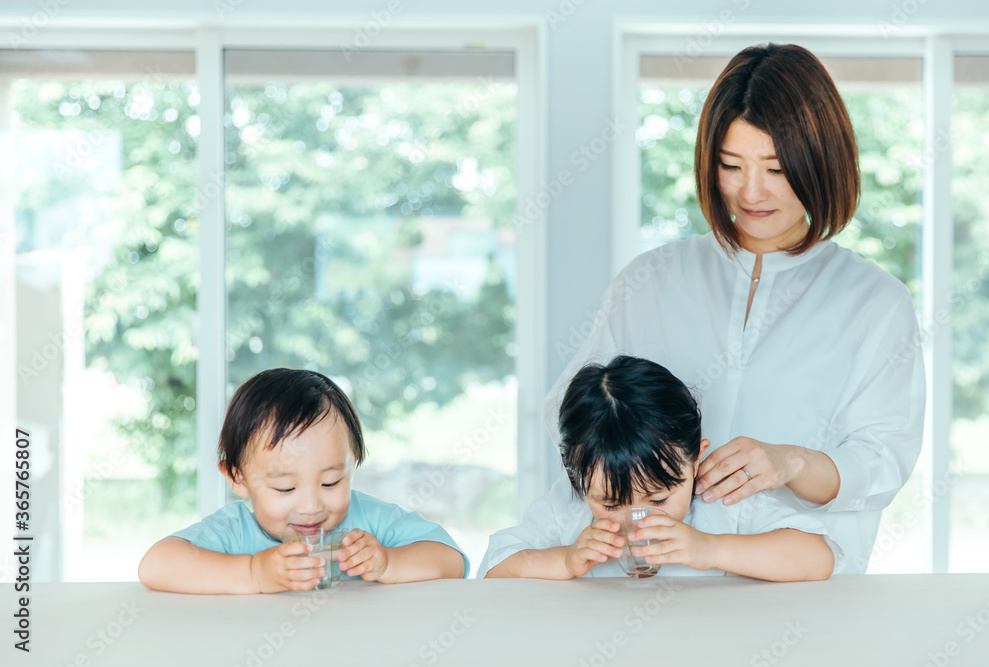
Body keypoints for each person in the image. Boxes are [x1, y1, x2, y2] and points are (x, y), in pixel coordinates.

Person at [544, 43, 925, 575]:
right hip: (642, 596)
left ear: (821, 163)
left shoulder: (874, 301)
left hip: (798, 595)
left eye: (775, 168)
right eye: (731, 165)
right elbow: (576, 415)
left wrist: (790, 462)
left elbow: (882, 462)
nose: (751, 192)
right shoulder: (649, 280)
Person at [482, 355, 841, 581]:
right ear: (576, 476)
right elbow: (496, 569)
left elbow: (817, 558)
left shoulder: (719, 496)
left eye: (659, 499)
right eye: (609, 504)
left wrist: (709, 550)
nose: (636, 515)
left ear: (696, 460)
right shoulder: (567, 508)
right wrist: (565, 561)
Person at [139, 368, 468, 593]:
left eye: (330, 483)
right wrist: (254, 573)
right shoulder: (234, 531)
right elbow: (155, 566)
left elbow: (451, 560)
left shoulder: (370, 522)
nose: (312, 506)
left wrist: (388, 563)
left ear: (353, 463)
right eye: (285, 488)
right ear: (237, 477)